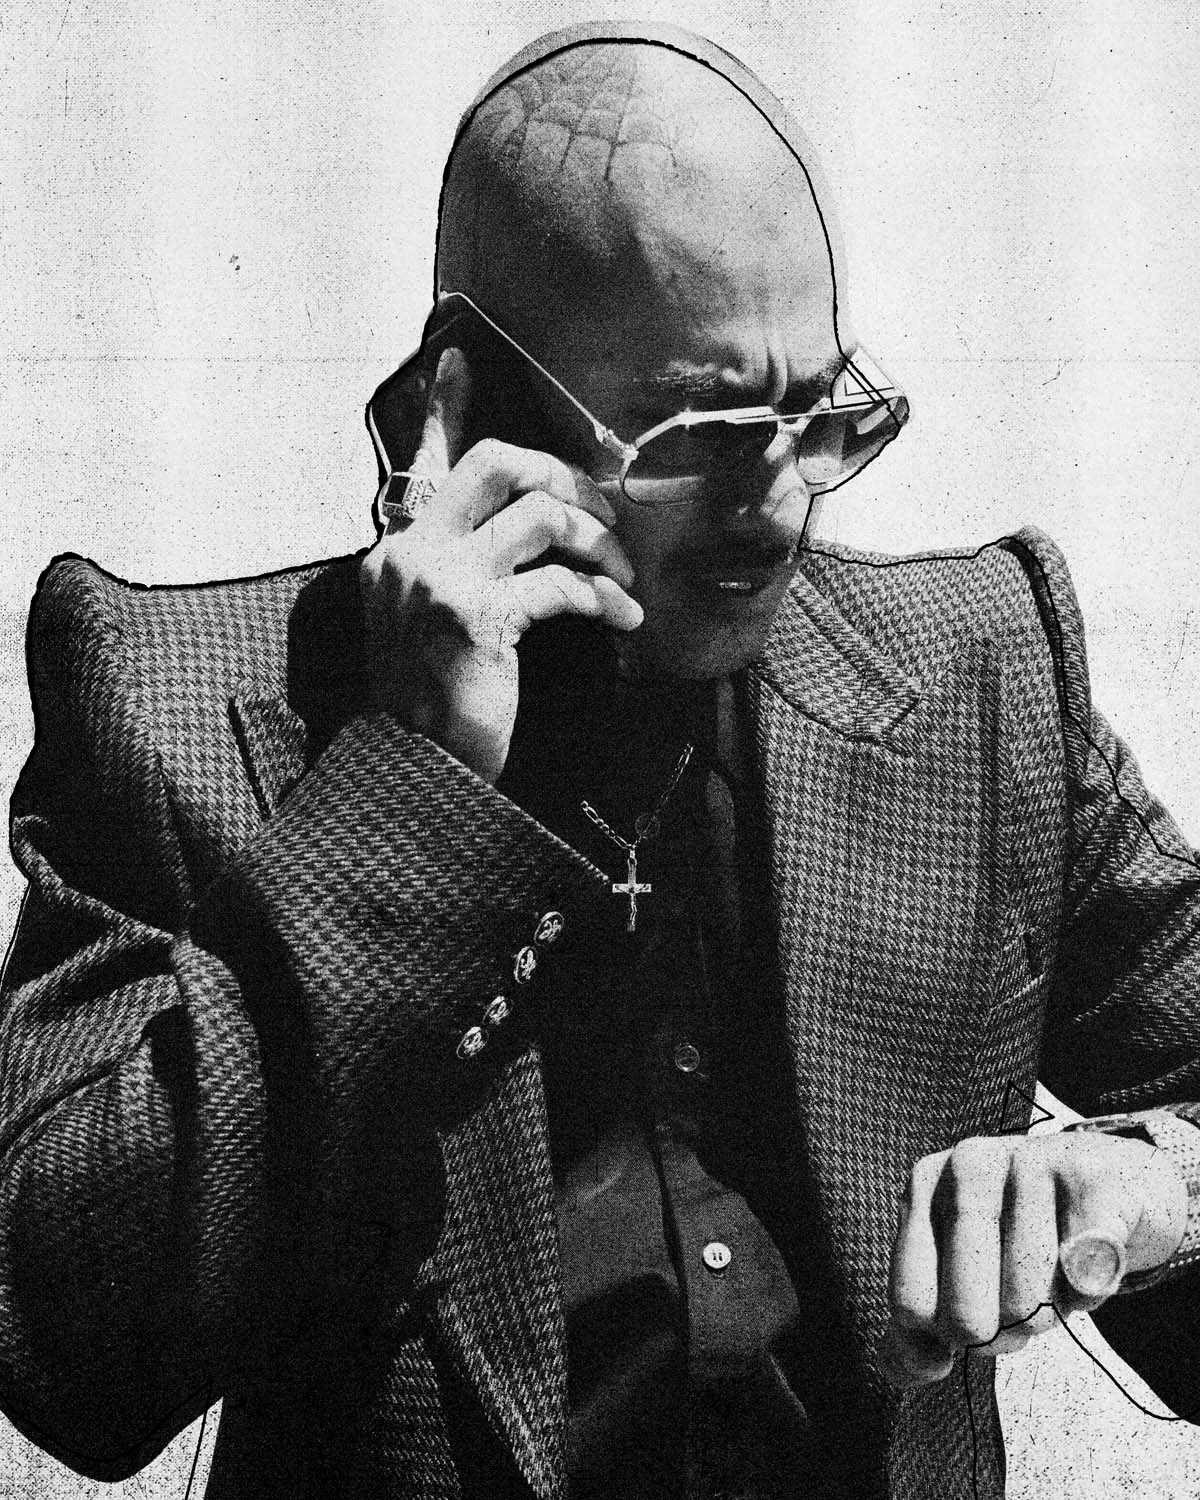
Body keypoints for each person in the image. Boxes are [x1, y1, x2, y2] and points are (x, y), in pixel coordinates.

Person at [2, 20, 1200, 1500]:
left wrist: (1157, 1187)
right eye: (698, 432)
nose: (784, 504)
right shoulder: (179, 701)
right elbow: (62, 1341)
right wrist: (409, 793)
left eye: (819, 415)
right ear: (462, 407)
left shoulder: (981, 674)